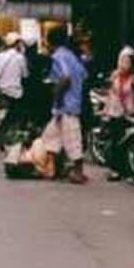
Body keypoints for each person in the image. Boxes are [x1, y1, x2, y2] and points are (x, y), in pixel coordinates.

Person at [40, 26, 89, 183]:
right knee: (51, 136)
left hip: (66, 104)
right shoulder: (72, 55)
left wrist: (57, 93)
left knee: (71, 138)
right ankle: (52, 167)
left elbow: (65, 77)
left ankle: (78, 172)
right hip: (72, 102)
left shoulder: (58, 56)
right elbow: (83, 74)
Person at [0, 33, 27, 135]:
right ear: (17, 43)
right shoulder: (20, 57)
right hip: (16, 91)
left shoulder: (0, 56)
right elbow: (25, 74)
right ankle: (6, 130)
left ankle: (3, 130)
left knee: (9, 110)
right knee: (17, 112)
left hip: (2, 89)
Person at [104, 47, 134, 121]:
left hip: (128, 117)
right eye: (122, 61)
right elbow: (111, 95)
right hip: (113, 115)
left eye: (127, 62)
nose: (123, 65)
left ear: (132, 65)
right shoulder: (115, 77)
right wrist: (106, 111)